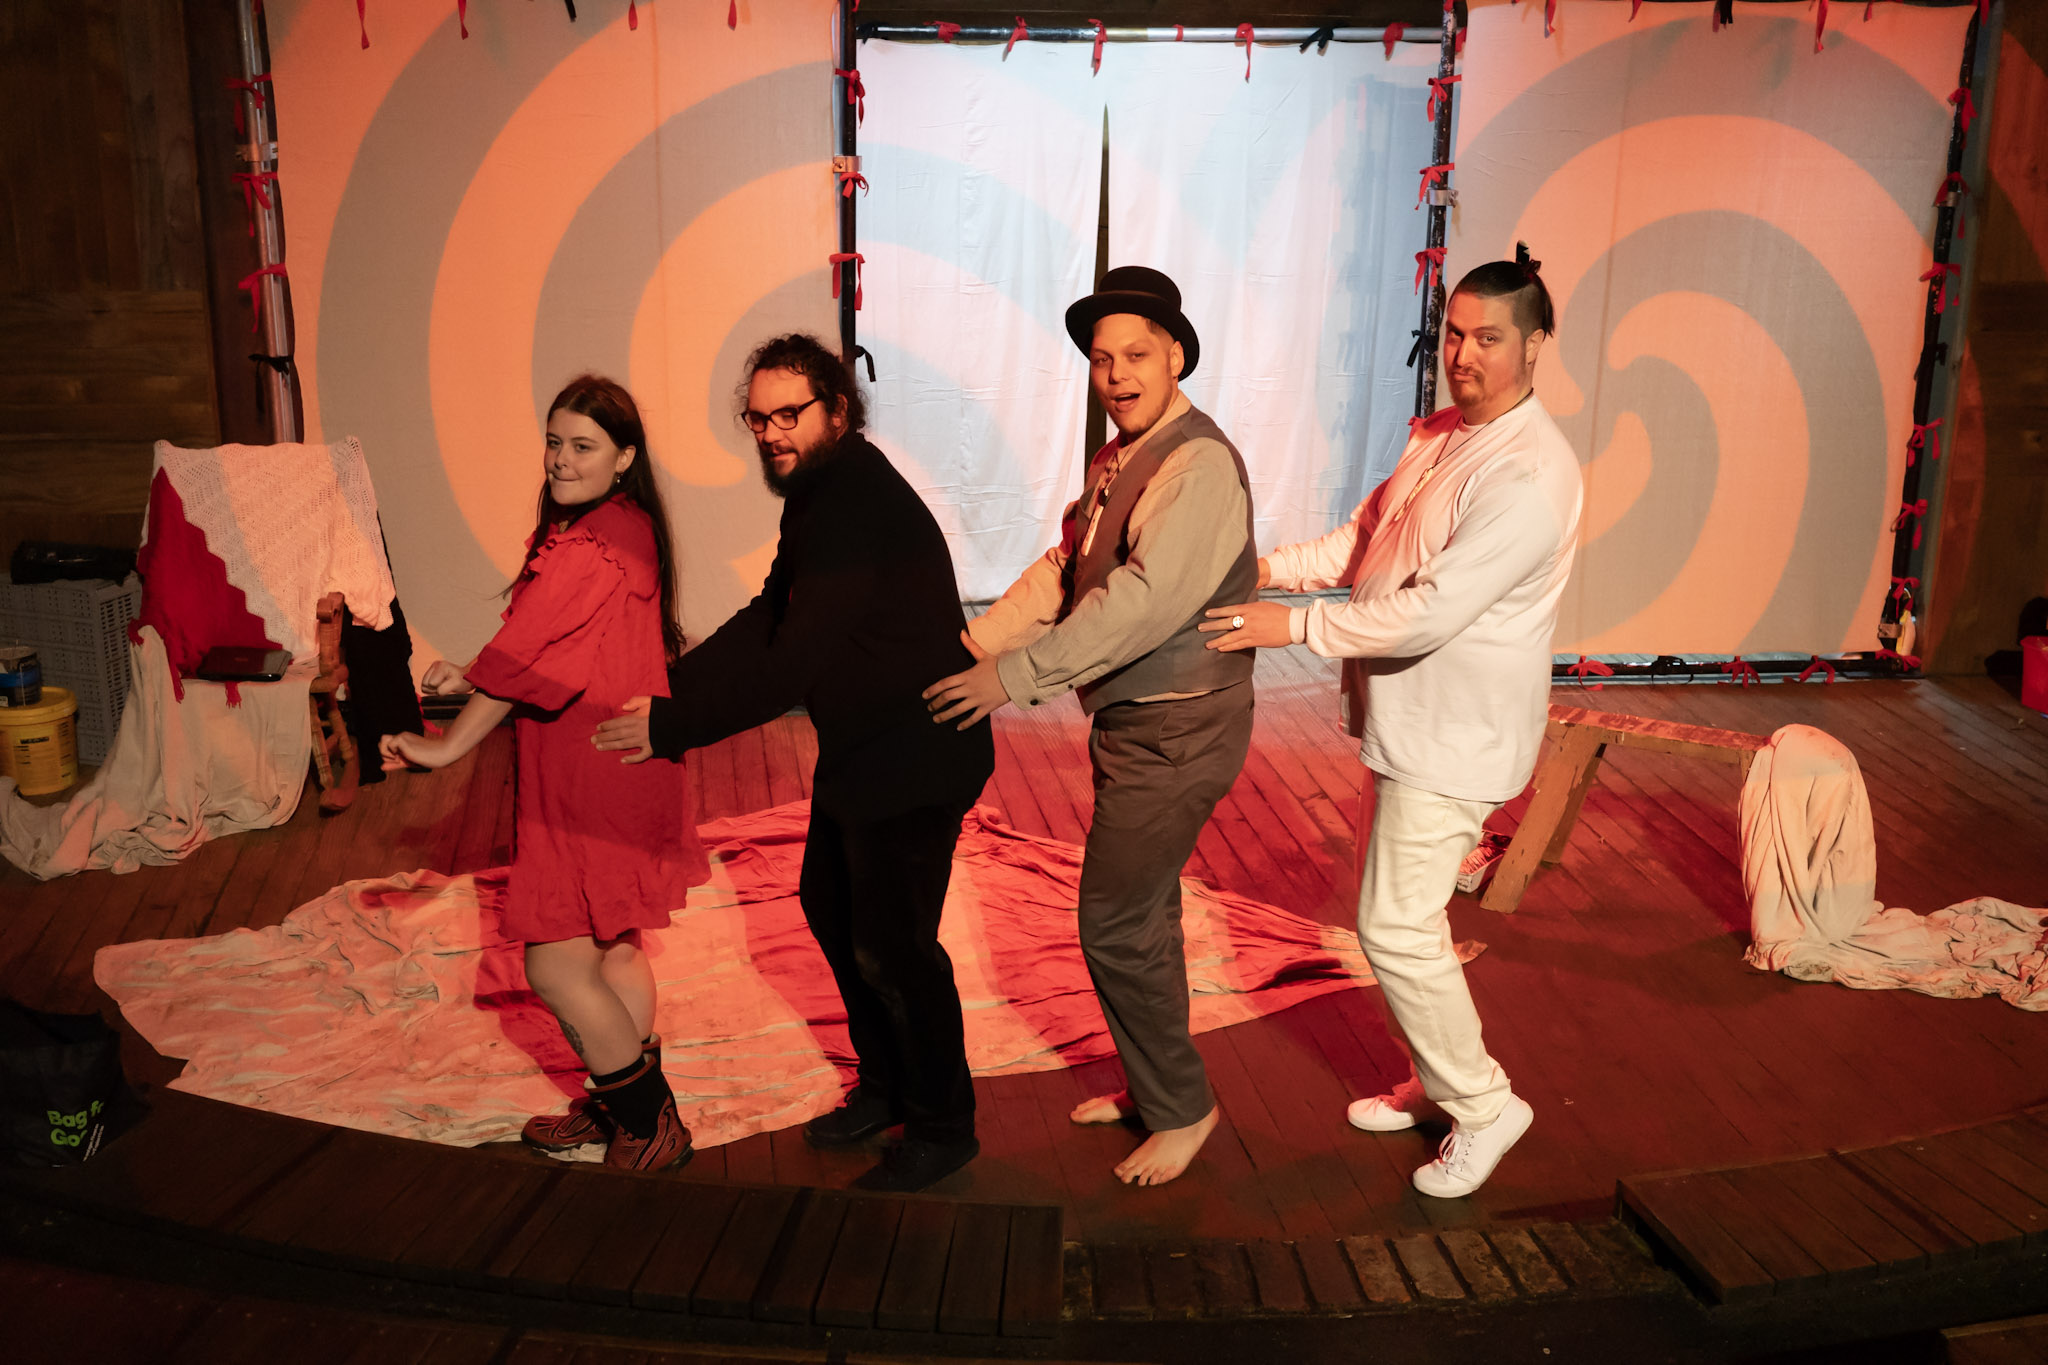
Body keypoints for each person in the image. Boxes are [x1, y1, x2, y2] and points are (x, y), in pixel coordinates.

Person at [1201, 244, 1583, 1199]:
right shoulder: (1443, 432)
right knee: (1406, 919)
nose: (1464, 354)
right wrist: (1262, 571)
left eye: (1489, 338)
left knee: (1395, 926)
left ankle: (1484, 1104)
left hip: (1455, 736)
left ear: (1536, 344)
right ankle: (1436, 1081)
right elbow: (1369, 538)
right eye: (1455, 334)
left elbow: (1430, 611)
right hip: (1406, 722)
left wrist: (1293, 624)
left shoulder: (1529, 473)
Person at [591, 334, 994, 1194]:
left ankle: (943, 1124)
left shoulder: (854, 505)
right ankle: (888, 1086)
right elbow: (770, 612)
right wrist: (665, 682)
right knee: (831, 908)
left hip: (919, 752)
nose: (771, 433)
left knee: (894, 947)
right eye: (757, 417)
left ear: (837, 412)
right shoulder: (819, 493)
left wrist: (671, 724)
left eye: (788, 414)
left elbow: (790, 665)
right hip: (866, 747)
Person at [924, 266, 1258, 1187]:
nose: (1116, 375)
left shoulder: (1197, 464)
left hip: (1180, 727)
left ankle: (1184, 1107)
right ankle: (1157, 1085)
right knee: (1143, 911)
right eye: (1103, 359)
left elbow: (1137, 606)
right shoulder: (1121, 456)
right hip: (1139, 723)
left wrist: (1010, 677)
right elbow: (1068, 567)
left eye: (1137, 355)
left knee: (1113, 920)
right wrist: (971, 643)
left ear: (1177, 355)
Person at [380, 374, 709, 1172]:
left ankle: (649, 1122)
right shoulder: (619, 526)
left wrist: (445, 746)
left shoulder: (594, 544)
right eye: (555, 442)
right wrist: (476, 671)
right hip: (622, 768)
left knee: (555, 965)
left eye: (583, 446)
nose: (562, 459)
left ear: (624, 457)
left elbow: (530, 657)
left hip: (592, 781)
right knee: (613, 950)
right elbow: (554, 643)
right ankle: (617, 1108)